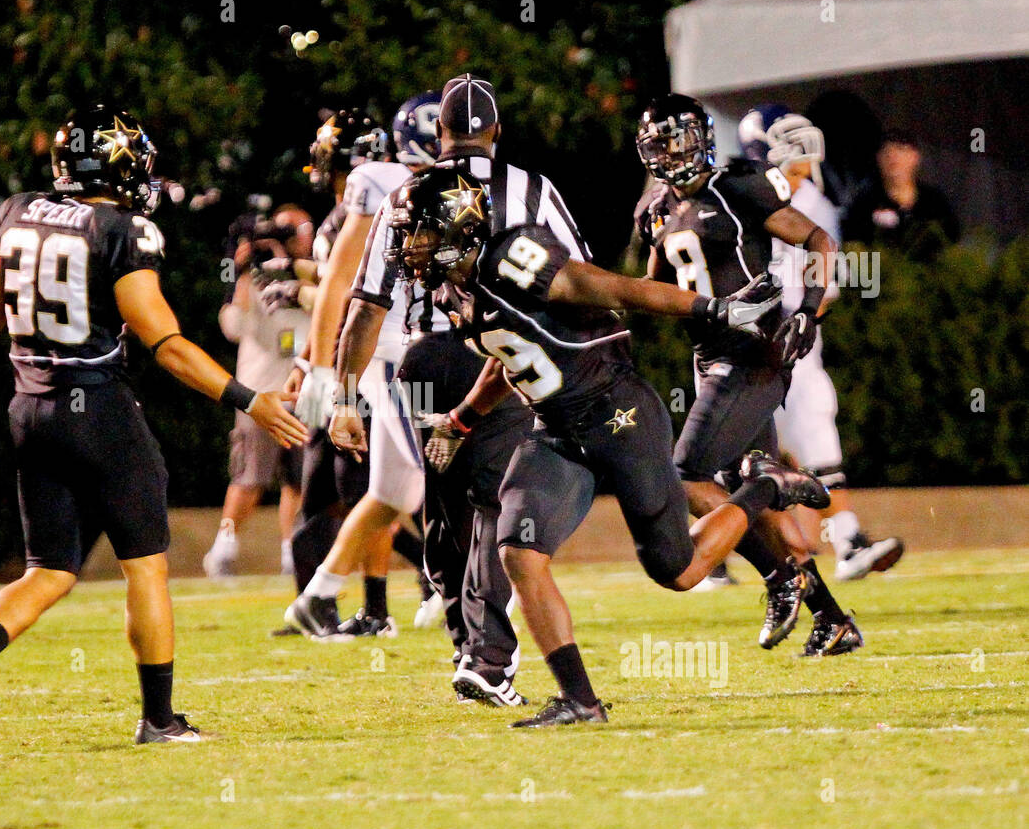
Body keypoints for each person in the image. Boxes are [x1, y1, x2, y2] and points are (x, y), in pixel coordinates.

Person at [0, 105, 306, 750]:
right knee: (146, 567)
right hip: (99, 413)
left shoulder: (18, 216)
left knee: (50, 570)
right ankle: (159, 719)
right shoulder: (119, 230)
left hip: (30, 413)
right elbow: (166, 345)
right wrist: (248, 398)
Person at [394, 164, 826, 727]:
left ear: (457, 226)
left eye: (419, 232)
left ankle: (764, 486)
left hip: (617, 412)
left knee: (680, 571)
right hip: (554, 428)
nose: (409, 247)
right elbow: (512, 359)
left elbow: (621, 289)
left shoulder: (514, 258)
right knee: (518, 553)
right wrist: (461, 420)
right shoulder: (458, 287)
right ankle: (581, 701)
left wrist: (713, 309)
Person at [324, 74, 589, 706]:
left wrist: (341, 397)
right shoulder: (529, 189)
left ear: (439, 131)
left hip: (420, 364)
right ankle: (487, 656)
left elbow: (365, 306)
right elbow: (578, 277)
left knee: (446, 504)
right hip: (493, 357)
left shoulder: (406, 192)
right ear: (496, 131)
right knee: (496, 501)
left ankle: (464, 639)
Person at [635, 93, 863, 657]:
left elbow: (818, 239)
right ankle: (831, 619)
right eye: (660, 144)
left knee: (685, 474)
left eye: (679, 139)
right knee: (736, 497)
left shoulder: (736, 186)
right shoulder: (656, 207)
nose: (671, 153)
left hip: (754, 354)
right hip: (709, 357)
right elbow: (656, 285)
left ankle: (777, 529)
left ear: (703, 139)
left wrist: (807, 309)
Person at [280, 106, 430, 632]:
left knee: (390, 488)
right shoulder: (380, 186)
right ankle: (444, 592)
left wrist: (318, 369)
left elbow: (333, 289)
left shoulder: (381, 184)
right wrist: (320, 374)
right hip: (380, 356)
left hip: (384, 354)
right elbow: (342, 289)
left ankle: (326, 596)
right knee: (402, 478)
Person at [739, 105, 904, 581]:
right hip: (736, 345)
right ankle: (716, 552)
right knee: (736, 455)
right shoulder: (732, 198)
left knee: (814, 428)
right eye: (790, 156)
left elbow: (826, 289)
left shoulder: (812, 203)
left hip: (791, 339)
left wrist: (799, 324)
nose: (801, 166)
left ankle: (845, 541)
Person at [203, 204, 313, 577]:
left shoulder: (316, 270)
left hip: (302, 391)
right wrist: (240, 270)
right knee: (249, 479)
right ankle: (224, 544)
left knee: (297, 482)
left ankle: (290, 551)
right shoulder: (255, 274)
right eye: (290, 230)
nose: (301, 236)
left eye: (303, 228)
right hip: (260, 391)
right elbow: (233, 325)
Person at [843, 129, 959, 257]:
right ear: (878, 159)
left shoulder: (934, 202)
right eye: (887, 152)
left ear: (915, 157)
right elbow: (853, 247)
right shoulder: (865, 204)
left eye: (901, 149)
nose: (893, 157)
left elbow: (950, 242)